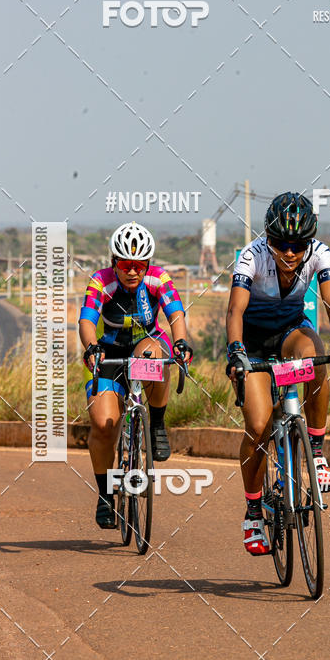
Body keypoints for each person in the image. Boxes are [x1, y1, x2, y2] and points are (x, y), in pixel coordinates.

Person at [225, 192, 330, 555]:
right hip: (251, 344)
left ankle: (316, 450)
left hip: (289, 334)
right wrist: (236, 353)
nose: (290, 253)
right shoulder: (251, 256)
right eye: (281, 244)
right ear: (268, 238)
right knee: (258, 427)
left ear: (308, 242)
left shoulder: (320, 253)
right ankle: (253, 511)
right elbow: (235, 311)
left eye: (298, 245)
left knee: (316, 359)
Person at [79, 221, 193, 529]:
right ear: (114, 262)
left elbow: (176, 313)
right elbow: (87, 321)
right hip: (110, 352)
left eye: (139, 265)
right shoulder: (101, 281)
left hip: (147, 343)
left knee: (153, 355)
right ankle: (105, 495)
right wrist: (91, 348)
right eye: (125, 265)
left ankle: (156, 423)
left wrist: (181, 342)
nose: (132, 271)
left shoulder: (159, 278)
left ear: (148, 264)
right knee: (103, 425)